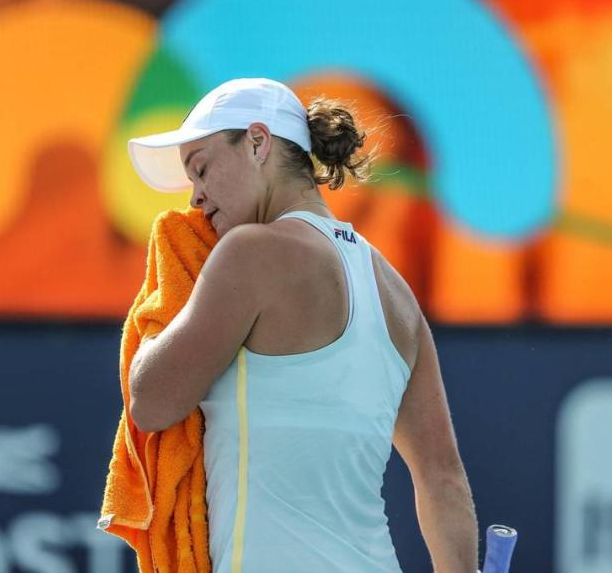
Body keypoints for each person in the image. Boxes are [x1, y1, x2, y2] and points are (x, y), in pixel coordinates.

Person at [126, 78, 478, 572]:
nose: (196, 200)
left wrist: (161, 302)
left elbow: (152, 400)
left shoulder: (249, 253)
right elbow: (443, 478)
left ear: (257, 142)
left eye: (201, 171)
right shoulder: (396, 291)